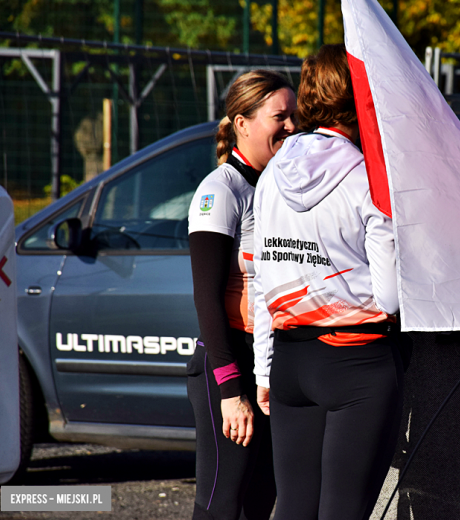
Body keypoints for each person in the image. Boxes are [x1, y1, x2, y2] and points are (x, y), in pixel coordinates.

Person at [252, 44, 403, 520]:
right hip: (358, 361)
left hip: (289, 359)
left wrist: (262, 370)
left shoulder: (271, 172)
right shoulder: (368, 178)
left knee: (293, 508)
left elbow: (261, 279)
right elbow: (392, 296)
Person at [186, 70, 297, 520]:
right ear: (242, 123)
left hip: (268, 362)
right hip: (227, 366)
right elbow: (206, 300)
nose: (291, 127)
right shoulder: (220, 189)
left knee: (259, 503)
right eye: (280, 116)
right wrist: (231, 390)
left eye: (295, 116)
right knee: (220, 503)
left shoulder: (274, 185)